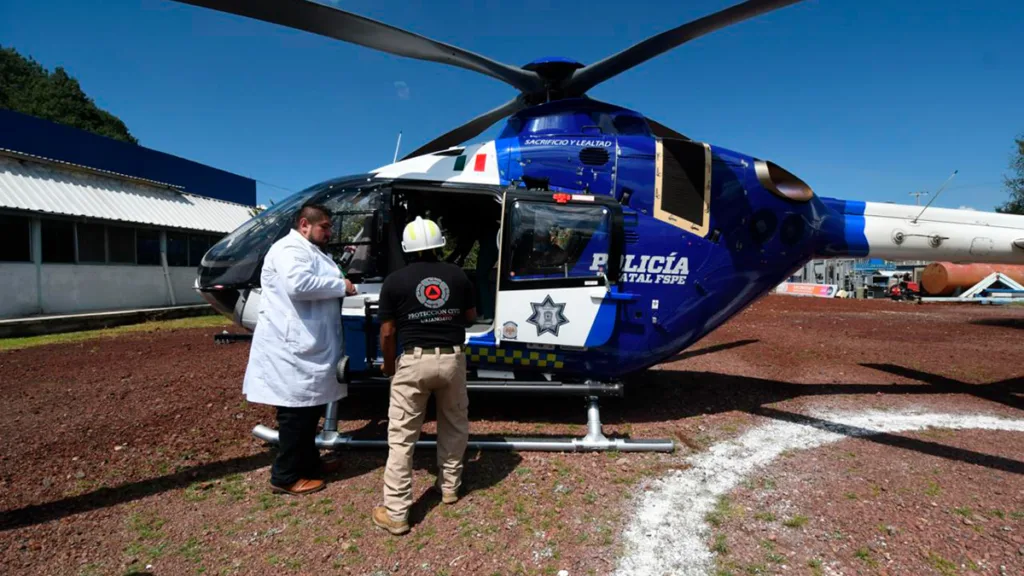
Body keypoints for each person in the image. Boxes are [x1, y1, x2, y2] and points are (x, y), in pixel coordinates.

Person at [242, 203, 357, 495]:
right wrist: (341, 285)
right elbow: (299, 285)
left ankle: (310, 465)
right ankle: (285, 477)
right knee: (295, 416)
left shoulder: (310, 250)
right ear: (305, 224)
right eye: (325, 227)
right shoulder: (288, 250)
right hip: (291, 350)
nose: (329, 232)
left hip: (308, 347)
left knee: (309, 412)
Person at [372, 216, 476, 535]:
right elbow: (470, 319)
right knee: (454, 425)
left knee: (402, 437)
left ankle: (397, 512)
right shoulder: (458, 276)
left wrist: (389, 366)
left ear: (408, 248)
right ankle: (449, 488)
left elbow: (388, 333)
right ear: (439, 244)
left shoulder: (395, 281)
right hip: (452, 360)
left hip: (414, 362)